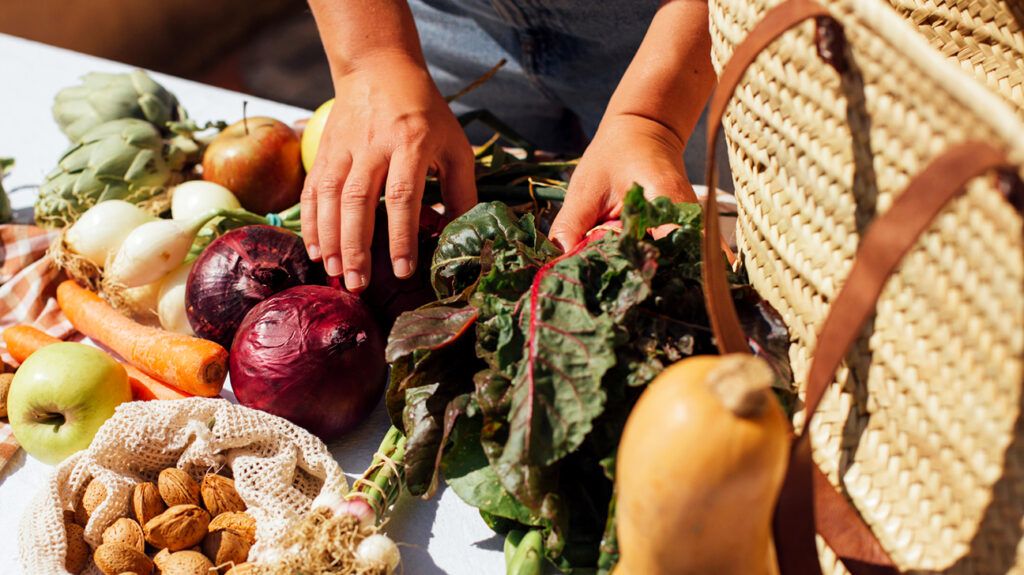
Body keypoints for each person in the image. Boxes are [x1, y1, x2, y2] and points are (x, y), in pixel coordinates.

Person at [303, 0, 716, 292]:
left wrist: (653, 122)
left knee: (692, 241)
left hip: (677, 35)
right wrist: (372, 56)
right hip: (435, 23)